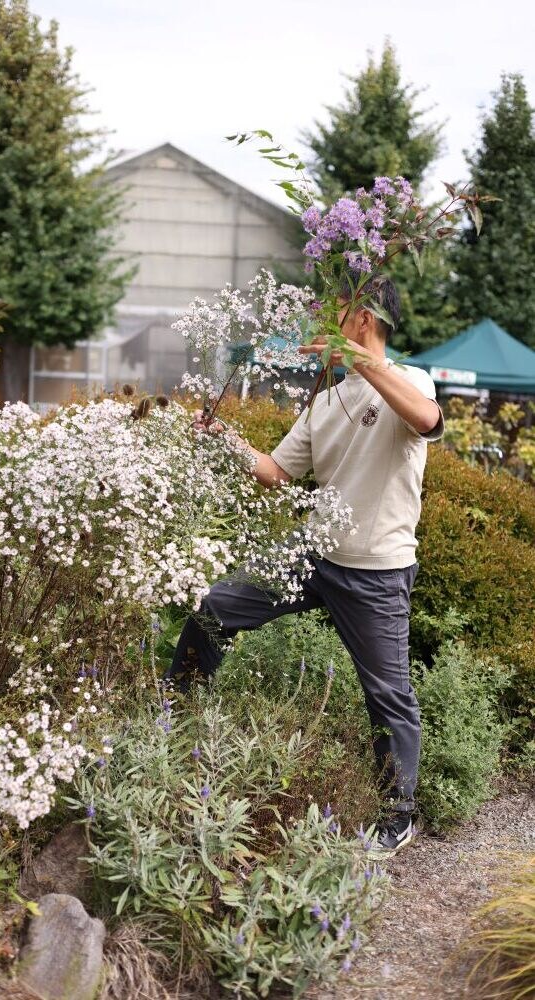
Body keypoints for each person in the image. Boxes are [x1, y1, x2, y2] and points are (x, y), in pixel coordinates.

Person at [165, 273, 445, 855]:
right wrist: (224, 438)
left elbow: (425, 419)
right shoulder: (324, 402)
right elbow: (275, 472)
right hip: (311, 554)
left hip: (375, 570)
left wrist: (357, 360)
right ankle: (171, 717)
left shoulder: (407, 381)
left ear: (362, 320)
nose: (319, 323)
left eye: (332, 313)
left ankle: (400, 812)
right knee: (216, 606)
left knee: (387, 694)